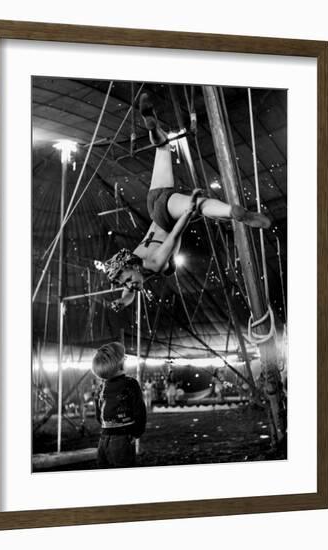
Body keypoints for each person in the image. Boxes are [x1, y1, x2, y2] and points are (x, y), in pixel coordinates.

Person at [104, 93, 271, 311]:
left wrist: (188, 211)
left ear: (131, 266)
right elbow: (128, 292)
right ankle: (153, 128)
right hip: (153, 201)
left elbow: (174, 236)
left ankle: (236, 213)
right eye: (126, 283)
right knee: (162, 147)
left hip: (165, 215)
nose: (130, 285)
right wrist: (121, 302)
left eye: (127, 280)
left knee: (200, 206)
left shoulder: (153, 264)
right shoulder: (134, 267)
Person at [92, 342, 147, 468]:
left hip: (103, 438)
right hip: (123, 438)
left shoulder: (101, 388)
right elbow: (139, 411)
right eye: (125, 357)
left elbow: (98, 415)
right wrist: (136, 433)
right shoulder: (130, 383)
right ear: (120, 363)